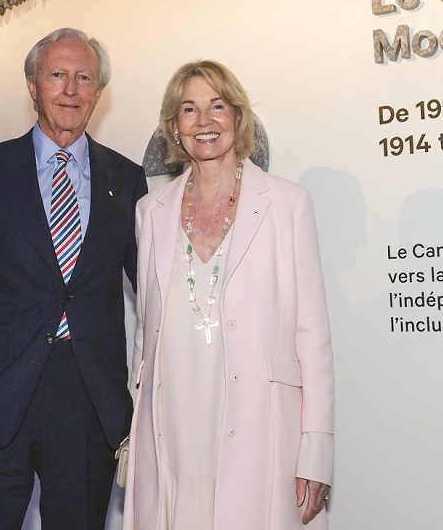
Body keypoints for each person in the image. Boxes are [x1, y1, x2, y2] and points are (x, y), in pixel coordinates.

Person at [0, 27, 147, 530]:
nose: (70, 89)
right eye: (57, 75)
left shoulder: (127, 180)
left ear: (98, 93)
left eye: (84, 77)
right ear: (32, 85)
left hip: (88, 402)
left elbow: (155, 293)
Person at [124, 60, 335, 529]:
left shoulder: (288, 203)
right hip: (172, 420)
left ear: (238, 118)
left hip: (260, 422)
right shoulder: (149, 212)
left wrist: (316, 450)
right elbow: (145, 333)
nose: (204, 121)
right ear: (173, 128)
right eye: (189, 109)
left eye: (217, 106)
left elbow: (313, 338)